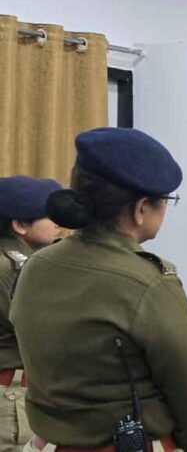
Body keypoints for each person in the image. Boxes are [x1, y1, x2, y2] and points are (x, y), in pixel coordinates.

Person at [10, 127, 187, 452]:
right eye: (166, 202)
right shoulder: (147, 282)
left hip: (47, 444)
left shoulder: (36, 265)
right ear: (141, 209)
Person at [0, 175, 62, 452]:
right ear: (20, 225)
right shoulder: (15, 270)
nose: (58, 223)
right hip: (10, 395)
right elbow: (47, 334)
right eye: (49, 216)